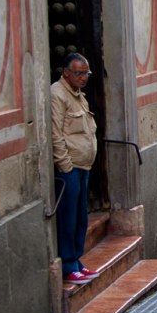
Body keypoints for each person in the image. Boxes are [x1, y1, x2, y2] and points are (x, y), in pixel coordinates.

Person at [51, 52, 98, 284]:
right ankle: (68, 264)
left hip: (84, 165)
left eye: (86, 73)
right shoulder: (57, 94)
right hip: (70, 168)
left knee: (80, 216)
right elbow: (56, 133)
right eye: (79, 73)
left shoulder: (79, 95)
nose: (84, 78)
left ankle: (77, 260)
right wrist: (66, 165)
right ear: (66, 73)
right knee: (68, 217)